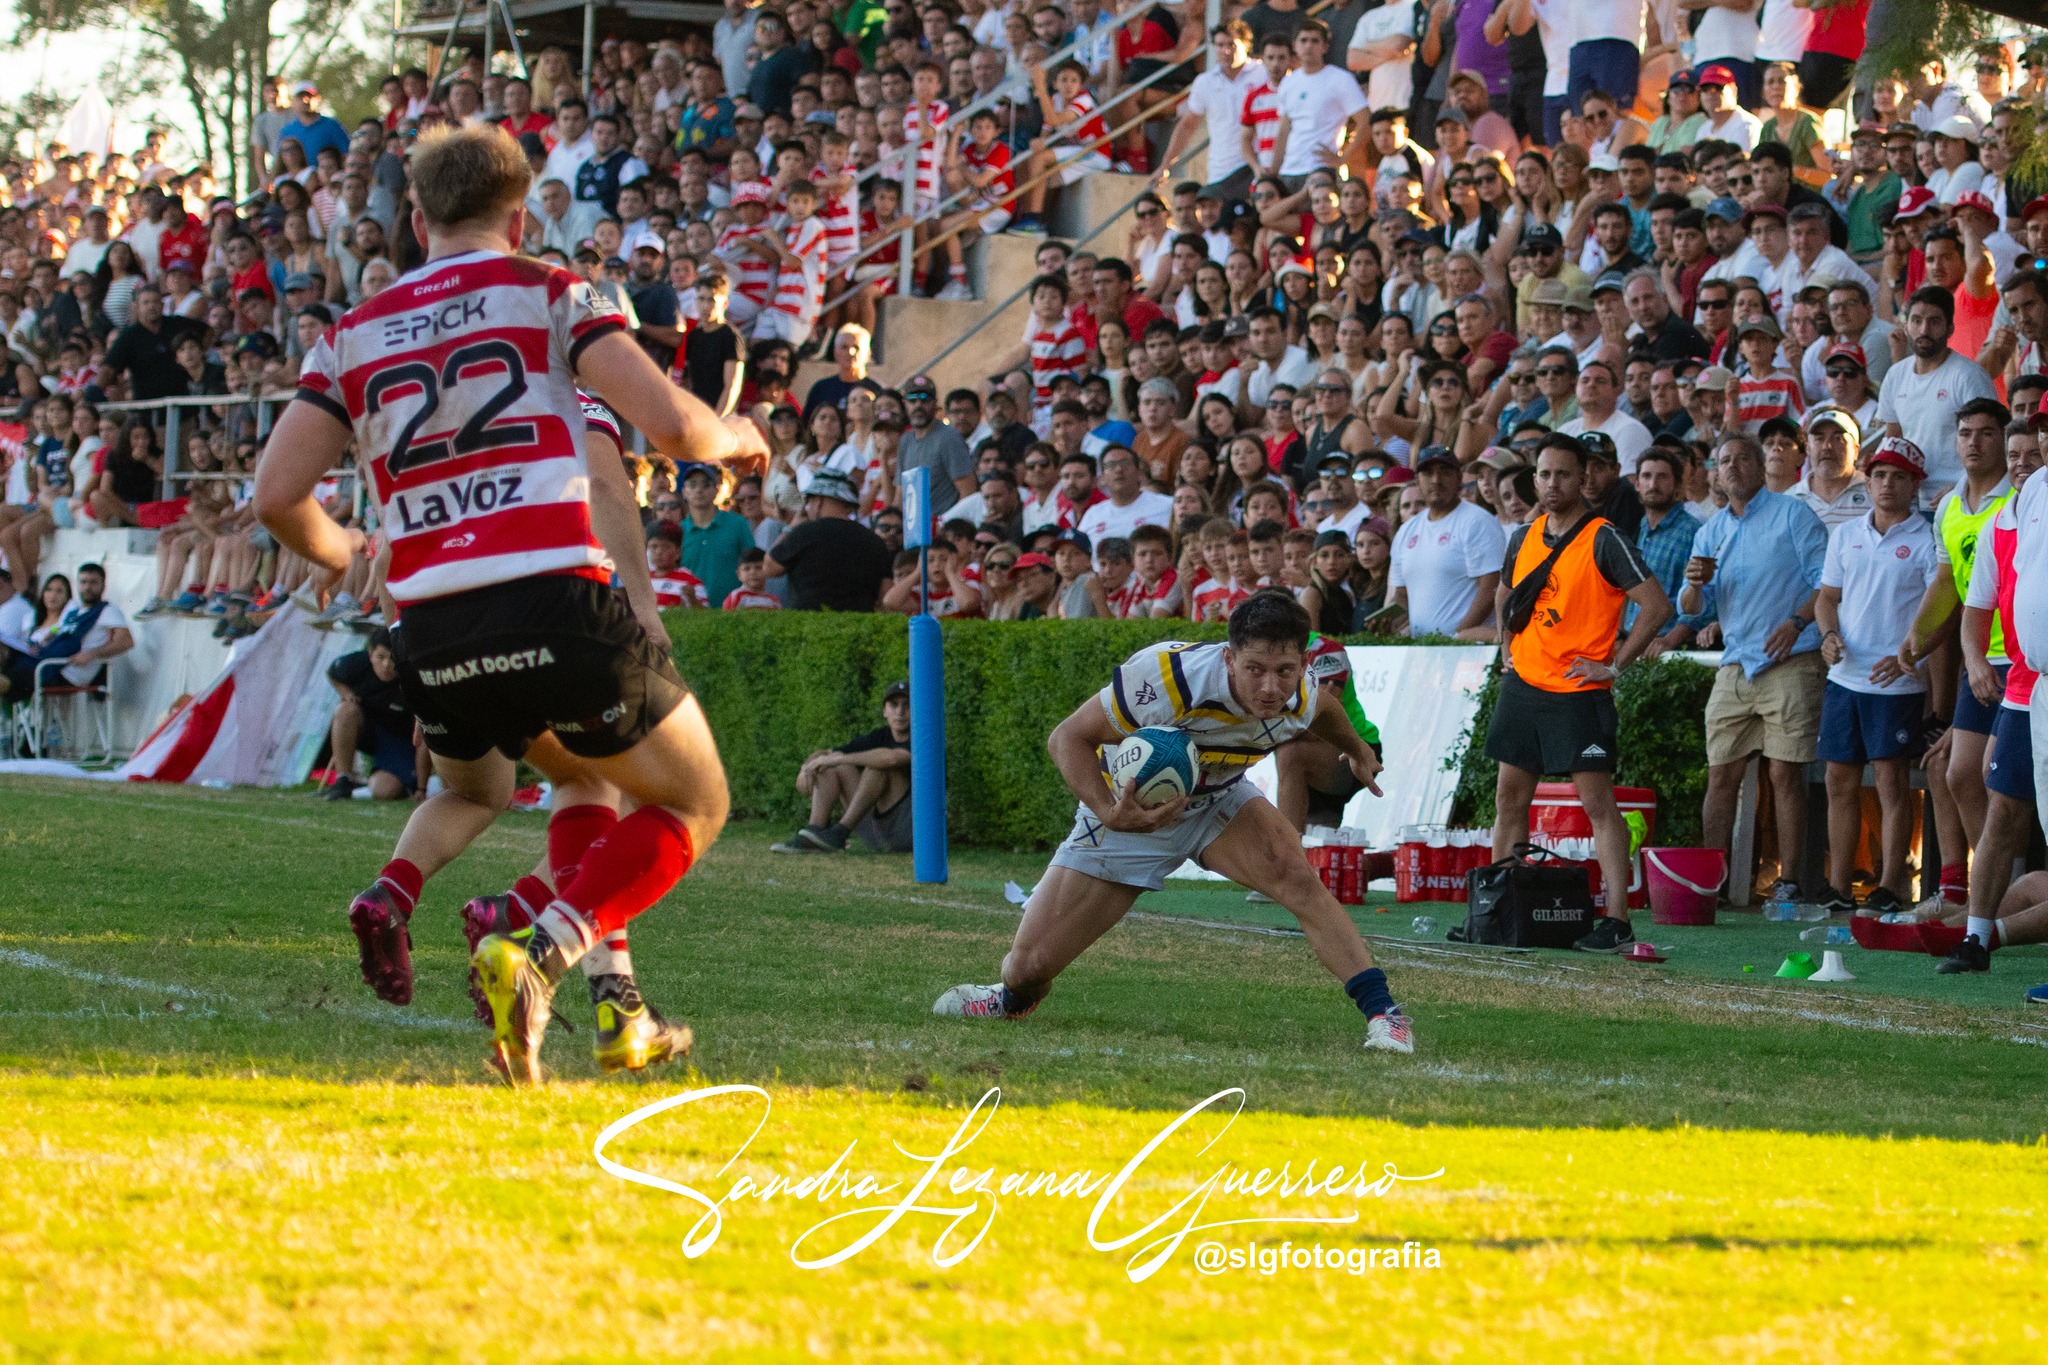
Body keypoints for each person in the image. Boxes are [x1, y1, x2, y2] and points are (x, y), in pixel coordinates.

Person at [255, 124, 769, 1086]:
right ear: (521, 215)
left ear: (415, 220)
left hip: (432, 628)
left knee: (557, 780)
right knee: (697, 800)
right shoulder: (547, 290)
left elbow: (277, 497)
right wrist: (735, 432)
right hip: (550, 596)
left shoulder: (350, 334)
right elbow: (669, 425)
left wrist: (349, 547)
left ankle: (610, 1007)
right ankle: (537, 946)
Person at [932, 591, 1414, 1054]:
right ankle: (1008, 998)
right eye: (1255, 670)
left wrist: (1357, 750)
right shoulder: (1168, 678)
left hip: (1219, 801)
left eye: (1285, 671)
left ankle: (1385, 1015)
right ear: (1229, 659)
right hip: (1130, 817)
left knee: (1296, 876)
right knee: (1027, 966)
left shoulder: (1300, 692)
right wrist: (1107, 810)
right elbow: (1067, 739)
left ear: (1302, 667)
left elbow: (1325, 711)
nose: (1271, 687)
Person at [1483, 434, 1670, 952]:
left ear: (1584, 477)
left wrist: (1613, 665)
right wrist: (1506, 647)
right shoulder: (1523, 536)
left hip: (1577, 690)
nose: (1551, 484)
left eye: (1563, 474)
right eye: (1543, 474)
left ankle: (1617, 920)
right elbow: (1505, 592)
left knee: (1598, 805)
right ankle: (1501, 909)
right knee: (1508, 799)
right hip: (1524, 685)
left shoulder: (1604, 537)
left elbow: (1656, 607)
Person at [1682, 434, 1830, 904]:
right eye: (1726, 462)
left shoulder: (1793, 514)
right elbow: (1691, 608)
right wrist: (1691, 586)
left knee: (1785, 775)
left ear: (1760, 466)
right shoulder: (1709, 532)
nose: (1736, 467)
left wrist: (1797, 622)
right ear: (1717, 474)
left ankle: (1789, 882)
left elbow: (1828, 584)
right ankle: (1712, 882)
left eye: (1744, 458)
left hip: (1791, 659)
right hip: (1735, 666)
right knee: (1720, 776)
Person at [1814, 437, 1938, 916]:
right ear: (1868, 478)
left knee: (1891, 784)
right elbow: (1828, 597)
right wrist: (1828, 636)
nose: (1887, 484)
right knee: (1839, 781)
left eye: (1899, 476)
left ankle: (1891, 883)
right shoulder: (1845, 535)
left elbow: (1938, 611)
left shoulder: (1927, 540)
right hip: (1845, 676)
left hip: (1896, 682)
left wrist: (1911, 654)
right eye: (1880, 474)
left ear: (1915, 485)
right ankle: (1839, 885)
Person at [1877, 285, 1999, 498]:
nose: (1924, 330)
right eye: (1916, 321)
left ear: (1950, 328)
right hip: (1910, 500)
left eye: (1934, 322)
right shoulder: (1895, 375)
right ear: (1906, 326)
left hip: (1960, 496)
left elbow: (1993, 442)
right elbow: (1893, 438)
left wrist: (1962, 489)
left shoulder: (1968, 376)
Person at [772, 681, 915, 853]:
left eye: (907, 705)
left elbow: (892, 759)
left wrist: (842, 759)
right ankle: (814, 836)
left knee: (877, 767)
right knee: (831, 766)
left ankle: (840, 832)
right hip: (877, 833)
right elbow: (826, 753)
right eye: (894, 705)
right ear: (885, 711)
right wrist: (806, 767)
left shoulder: (922, 737)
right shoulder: (879, 736)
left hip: (907, 833)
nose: (900, 712)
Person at [1386, 445, 1505, 639]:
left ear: (1459, 478)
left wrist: (1455, 638)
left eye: (1445, 472)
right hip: (1423, 651)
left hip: (1467, 650)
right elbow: (1401, 595)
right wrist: (1389, 622)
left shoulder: (1477, 521)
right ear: (1417, 480)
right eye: (1428, 473)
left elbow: (1491, 587)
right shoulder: (1406, 531)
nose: (1436, 480)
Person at [761, 469, 894, 610]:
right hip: (858, 625)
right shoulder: (874, 541)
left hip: (808, 625)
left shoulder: (804, 533)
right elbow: (885, 595)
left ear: (817, 501)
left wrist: (790, 528)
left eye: (809, 501)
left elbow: (769, 568)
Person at [323, 628, 427, 802]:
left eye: (392, 658)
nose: (386, 665)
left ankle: (406, 782)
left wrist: (421, 788)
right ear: (370, 655)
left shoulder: (412, 680)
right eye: (381, 657)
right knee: (345, 709)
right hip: (369, 730)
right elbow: (333, 672)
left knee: (384, 791)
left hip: (400, 740)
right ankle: (343, 780)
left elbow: (424, 734)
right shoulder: (357, 663)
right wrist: (346, 693)